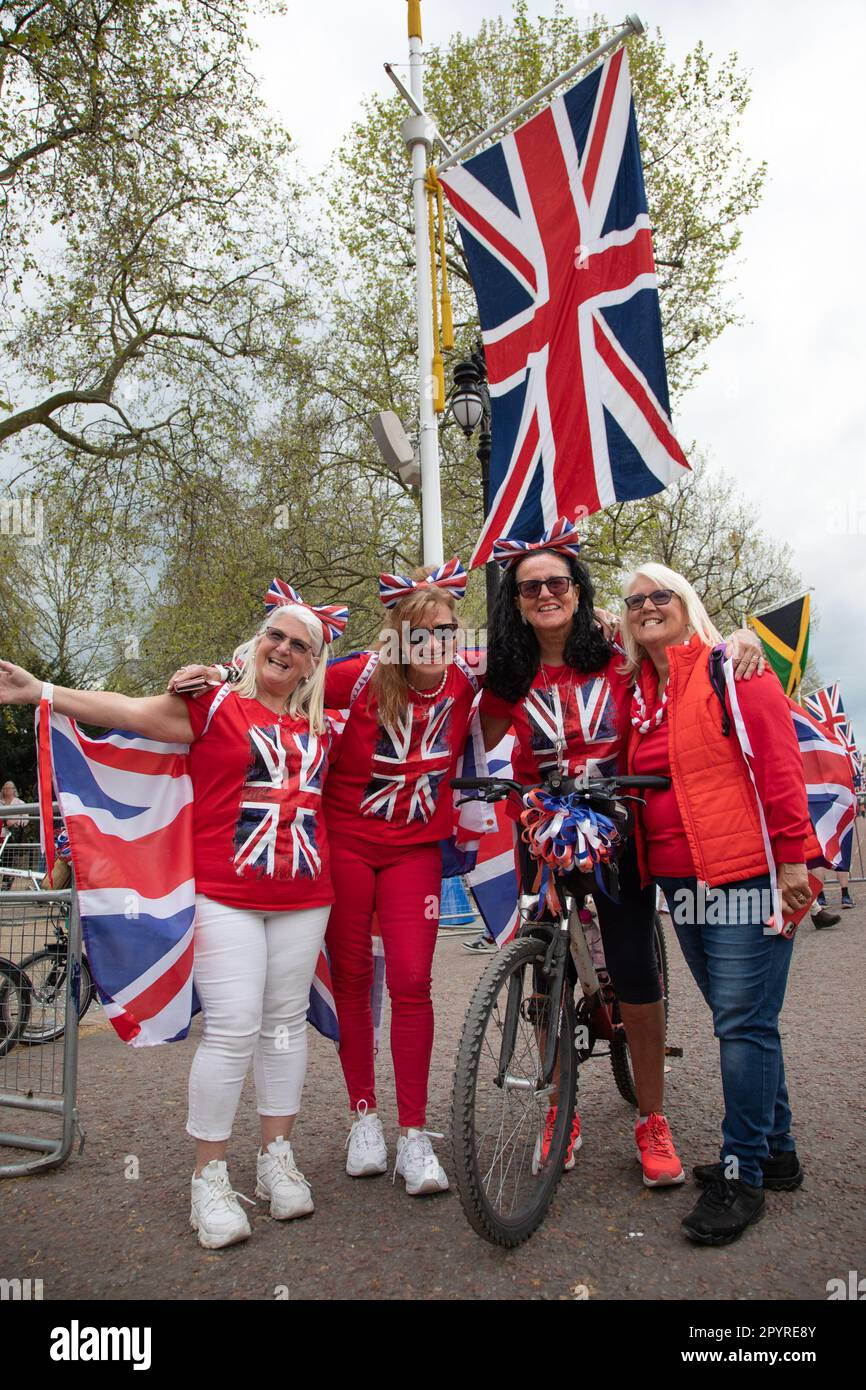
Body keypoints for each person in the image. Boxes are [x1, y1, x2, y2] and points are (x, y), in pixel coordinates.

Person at [0, 583, 347, 1250]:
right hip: (225, 896)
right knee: (233, 1028)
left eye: (300, 644)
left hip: (307, 897)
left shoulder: (323, 723)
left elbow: (400, 669)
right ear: (259, 641)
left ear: (312, 663)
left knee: (282, 1027)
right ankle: (208, 1178)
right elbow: (126, 711)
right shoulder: (212, 705)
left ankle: (276, 1158)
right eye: (276, 634)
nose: (283, 647)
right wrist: (42, 690)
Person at [169, 560, 482, 1196]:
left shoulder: (466, 680)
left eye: (444, 632)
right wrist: (221, 673)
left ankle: (416, 1134)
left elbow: (544, 657)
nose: (432, 645)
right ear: (395, 635)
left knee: (416, 981)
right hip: (344, 846)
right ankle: (363, 1117)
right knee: (355, 979)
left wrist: (611, 630)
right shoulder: (356, 674)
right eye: (417, 633)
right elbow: (279, 680)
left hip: (416, 849)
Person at [478, 518, 764, 1188]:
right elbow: (450, 713)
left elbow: (688, 648)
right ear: (515, 602)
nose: (544, 593)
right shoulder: (507, 673)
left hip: (617, 829)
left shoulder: (617, 654)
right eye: (529, 588)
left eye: (556, 582)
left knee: (635, 972)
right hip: (543, 831)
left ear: (577, 590)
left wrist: (741, 639)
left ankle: (651, 1118)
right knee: (547, 976)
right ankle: (559, 1108)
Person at [622, 562, 817, 1245]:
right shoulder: (640, 689)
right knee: (743, 1017)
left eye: (661, 595)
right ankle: (779, 1151)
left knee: (741, 1022)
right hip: (680, 883)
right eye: (635, 600)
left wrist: (793, 858)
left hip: (744, 875)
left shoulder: (734, 668)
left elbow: (781, 760)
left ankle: (743, 1174)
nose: (647, 605)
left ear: (686, 602)